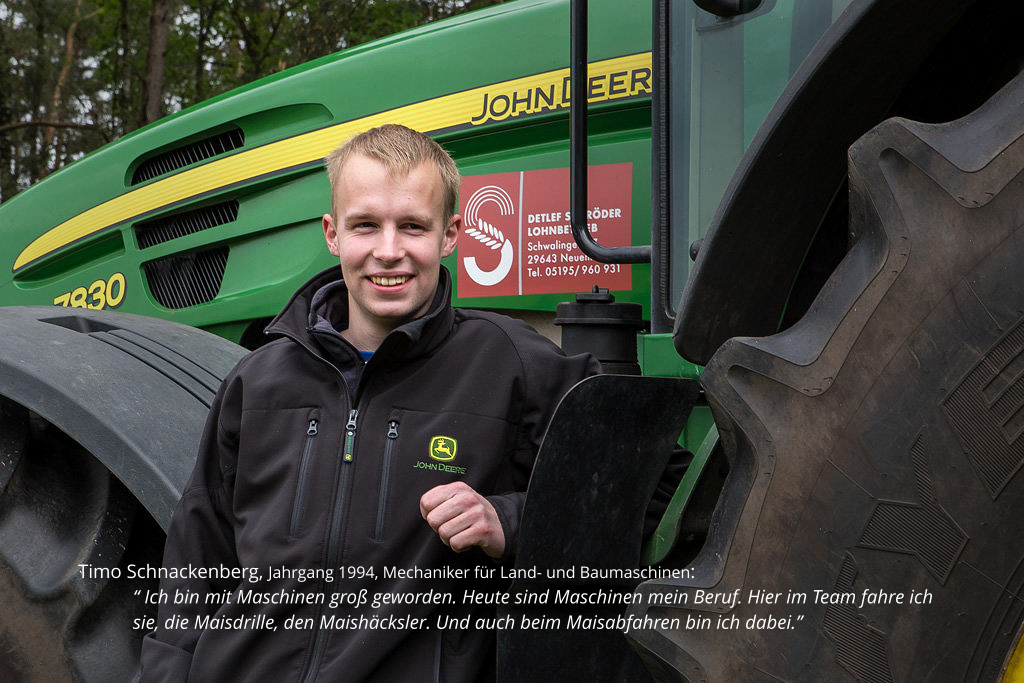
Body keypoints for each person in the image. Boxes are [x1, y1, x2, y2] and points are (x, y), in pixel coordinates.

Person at [140, 124, 599, 682]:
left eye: (412, 226)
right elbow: (197, 559)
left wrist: (510, 521)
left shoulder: (513, 366)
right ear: (333, 234)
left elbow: (644, 486)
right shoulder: (256, 380)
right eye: (365, 226)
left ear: (450, 234)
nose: (388, 251)